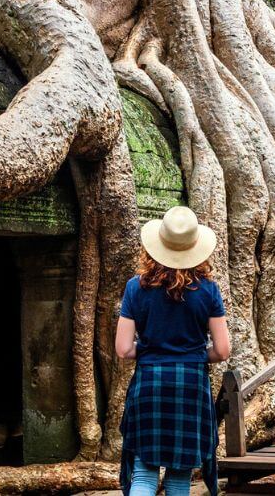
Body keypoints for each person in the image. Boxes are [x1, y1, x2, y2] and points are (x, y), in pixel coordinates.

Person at [116, 206, 231, 496]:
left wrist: (151, 350)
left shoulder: (135, 288)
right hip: (191, 385)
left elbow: (123, 349)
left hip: (150, 384)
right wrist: (194, 356)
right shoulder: (209, 290)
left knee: (144, 474)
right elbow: (222, 350)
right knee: (179, 477)